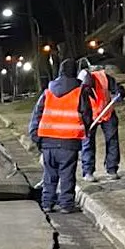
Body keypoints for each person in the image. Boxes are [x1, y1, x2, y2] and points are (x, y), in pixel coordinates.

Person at [28, 58, 93, 213]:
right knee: (67, 175)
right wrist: (85, 131)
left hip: (48, 142)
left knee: (49, 175)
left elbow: (37, 114)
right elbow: (86, 115)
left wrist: (35, 136)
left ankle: (47, 203)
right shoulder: (79, 92)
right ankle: (66, 204)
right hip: (69, 142)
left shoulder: (48, 92)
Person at [78, 60, 125, 182]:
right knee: (87, 142)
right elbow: (81, 106)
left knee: (112, 140)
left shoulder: (103, 78)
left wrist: (119, 93)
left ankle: (112, 169)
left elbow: (118, 88)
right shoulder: (81, 87)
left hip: (107, 112)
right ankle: (88, 171)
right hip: (90, 115)